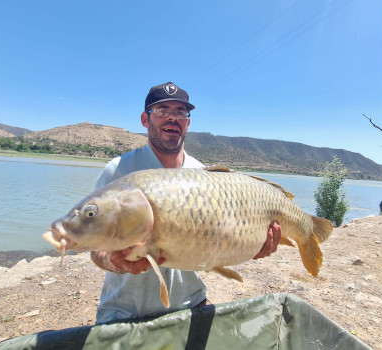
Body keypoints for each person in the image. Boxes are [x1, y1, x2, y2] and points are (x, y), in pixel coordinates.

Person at [90, 82, 282, 323]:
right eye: (162, 110)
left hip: (191, 305)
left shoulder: (206, 177)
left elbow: (223, 239)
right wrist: (113, 261)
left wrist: (251, 246)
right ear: (144, 119)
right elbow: (96, 247)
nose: (172, 118)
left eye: (180, 112)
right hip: (125, 311)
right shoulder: (119, 171)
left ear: (188, 123)